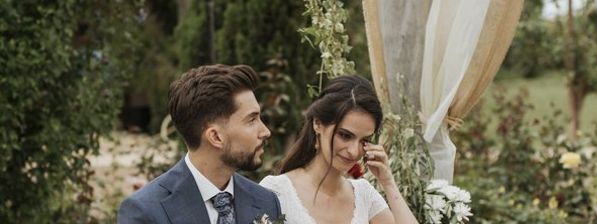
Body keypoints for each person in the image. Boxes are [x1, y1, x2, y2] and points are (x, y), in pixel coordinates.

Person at [118, 64, 282, 224]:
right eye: (251, 120)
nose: (265, 131)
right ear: (216, 136)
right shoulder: (145, 212)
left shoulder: (267, 202)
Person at [260, 75, 418, 224]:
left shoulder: (364, 195)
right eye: (345, 135)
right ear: (318, 124)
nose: (354, 151)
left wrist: (388, 183)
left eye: (364, 141)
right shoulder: (276, 191)